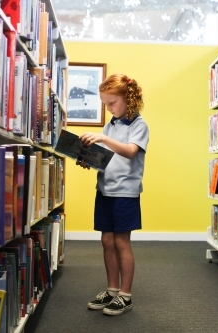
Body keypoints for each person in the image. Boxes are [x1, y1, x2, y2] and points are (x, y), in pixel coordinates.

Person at [76, 73, 149, 316]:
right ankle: (112, 289)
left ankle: (125, 295)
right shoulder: (112, 124)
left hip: (125, 192)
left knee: (121, 242)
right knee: (106, 241)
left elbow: (129, 152)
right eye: (105, 104)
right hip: (105, 189)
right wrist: (90, 159)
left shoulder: (139, 124)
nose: (108, 108)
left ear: (128, 99)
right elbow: (106, 156)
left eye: (111, 103)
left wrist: (104, 138)